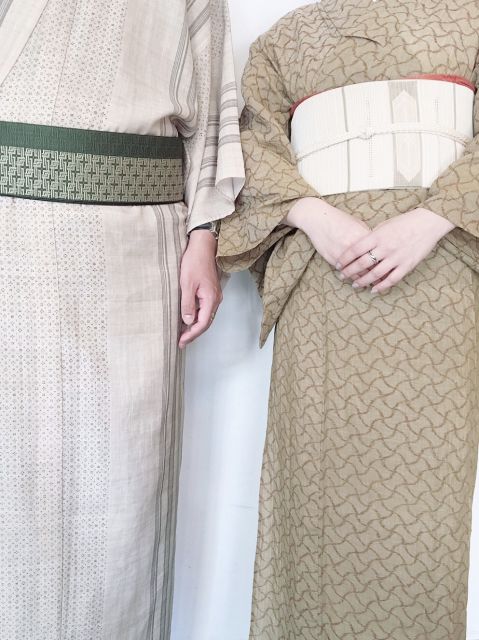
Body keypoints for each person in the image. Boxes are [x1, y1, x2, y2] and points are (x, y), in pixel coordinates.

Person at [218, 1, 479, 638]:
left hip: (440, 281)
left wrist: (431, 219)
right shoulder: (284, 40)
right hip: (325, 282)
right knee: (315, 502)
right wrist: (315, 217)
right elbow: (249, 143)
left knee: (425, 515)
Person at [0, 0, 243, 638]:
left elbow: (213, 112)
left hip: (130, 259)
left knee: (124, 489)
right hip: (11, 254)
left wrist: (205, 236)